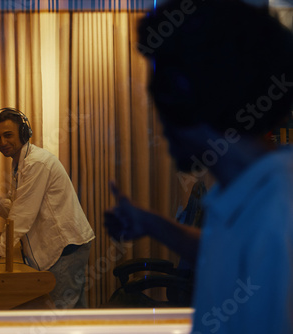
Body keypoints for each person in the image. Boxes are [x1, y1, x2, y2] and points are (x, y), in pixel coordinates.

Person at [105, 0, 293, 333]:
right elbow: (228, 252)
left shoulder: (278, 213)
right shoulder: (245, 190)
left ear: (190, 96)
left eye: (163, 93)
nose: (160, 120)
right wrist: (152, 224)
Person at [0, 107, 95, 309]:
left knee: (59, 315)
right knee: (72, 313)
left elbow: (22, 214)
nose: (2, 142)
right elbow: (18, 209)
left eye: (8, 135)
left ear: (23, 134)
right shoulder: (22, 163)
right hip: (66, 246)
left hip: (65, 248)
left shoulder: (36, 163)